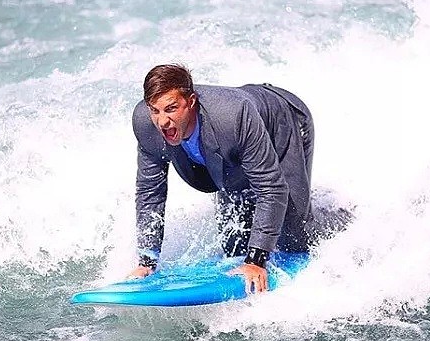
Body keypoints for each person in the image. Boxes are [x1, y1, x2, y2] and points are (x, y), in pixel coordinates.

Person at [128, 64, 314, 293]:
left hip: (283, 122)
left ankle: (328, 221)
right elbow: (150, 193)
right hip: (233, 150)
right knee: (234, 247)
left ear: (191, 102)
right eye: (155, 111)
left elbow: (271, 188)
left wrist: (256, 261)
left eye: (171, 108)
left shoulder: (234, 115)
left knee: (292, 237)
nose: (162, 121)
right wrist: (147, 261)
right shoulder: (146, 124)